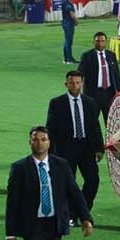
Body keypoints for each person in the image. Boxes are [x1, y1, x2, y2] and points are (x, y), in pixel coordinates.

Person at [5, 126, 94, 240]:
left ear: (49, 143)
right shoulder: (19, 168)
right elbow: (12, 203)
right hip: (33, 225)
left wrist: (86, 218)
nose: (39, 143)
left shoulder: (61, 165)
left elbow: (75, 193)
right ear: (30, 142)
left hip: (56, 224)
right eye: (35, 140)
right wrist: (10, 234)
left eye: (43, 139)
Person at [45, 71, 103, 227]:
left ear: (82, 83)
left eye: (78, 82)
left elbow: (95, 127)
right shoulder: (56, 103)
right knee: (69, 183)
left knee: (93, 180)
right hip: (65, 149)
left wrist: (99, 148)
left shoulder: (90, 102)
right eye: (71, 83)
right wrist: (48, 152)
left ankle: (82, 211)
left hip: (86, 148)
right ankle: (72, 214)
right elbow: (50, 128)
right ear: (66, 84)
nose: (75, 86)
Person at [77, 32, 120, 121]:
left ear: (106, 42)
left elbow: (116, 74)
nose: (100, 43)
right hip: (93, 93)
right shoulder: (87, 56)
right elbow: (80, 74)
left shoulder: (111, 55)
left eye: (102, 41)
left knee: (111, 121)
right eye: (97, 41)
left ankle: (109, 136)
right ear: (93, 42)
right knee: (91, 121)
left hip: (109, 93)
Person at [61, 0, 79, 64]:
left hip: (65, 21)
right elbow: (71, 13)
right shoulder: (66, 1)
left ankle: (66, 58)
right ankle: (69, 58)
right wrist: (76, 20)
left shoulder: (65, 0)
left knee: (66, 40)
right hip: (68, 22)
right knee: (69, 41)